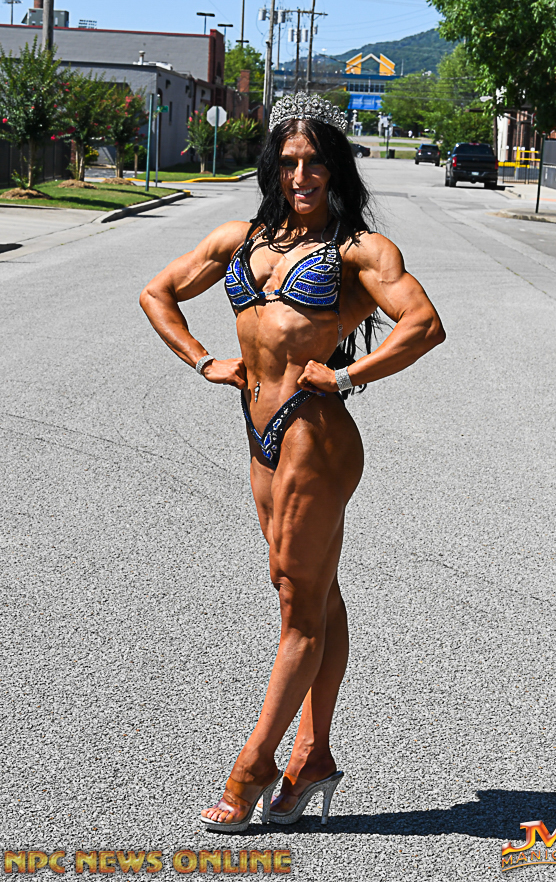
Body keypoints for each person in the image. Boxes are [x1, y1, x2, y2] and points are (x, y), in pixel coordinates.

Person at [139, 92, 445, 832]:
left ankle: (252, 767)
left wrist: (348, 375)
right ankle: (314, 757)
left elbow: (424, 324)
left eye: (313, 163)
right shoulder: (240, 238)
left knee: (296, 606)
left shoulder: (358, 250)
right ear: (272, 168)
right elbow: (157, 292)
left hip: (315, 431)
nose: (300, 176)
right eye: (288, 162)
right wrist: (203, 360)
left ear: (335, 168)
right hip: (260, 435)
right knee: (309, 591)